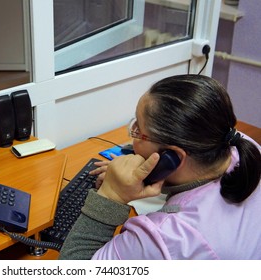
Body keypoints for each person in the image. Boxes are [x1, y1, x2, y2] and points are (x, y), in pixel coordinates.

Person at [58, 74, 261, 260]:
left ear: (172, 157)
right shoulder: (241, 145)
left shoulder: (165, 239)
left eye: (138, 130)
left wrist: (111, 195)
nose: (132, 132)